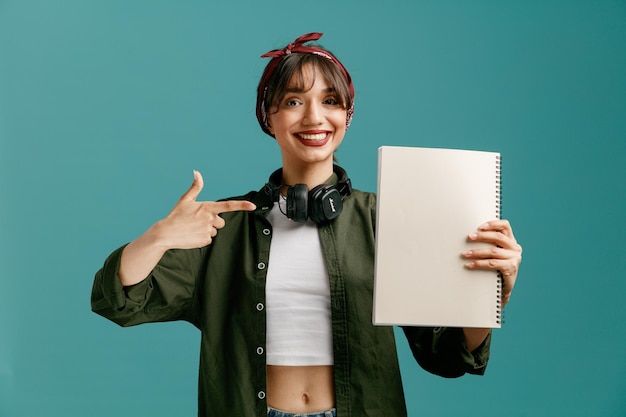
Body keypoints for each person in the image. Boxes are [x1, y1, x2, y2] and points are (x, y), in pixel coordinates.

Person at [91, 32, 523, 417]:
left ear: (348, 115)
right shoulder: (223, 226)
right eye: (294, 101)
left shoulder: (386, 219)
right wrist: (159, 236)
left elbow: (446, 356)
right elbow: (121, 302)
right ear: (270, 116)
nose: (314, 117)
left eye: (330, 101)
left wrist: (489, 294)